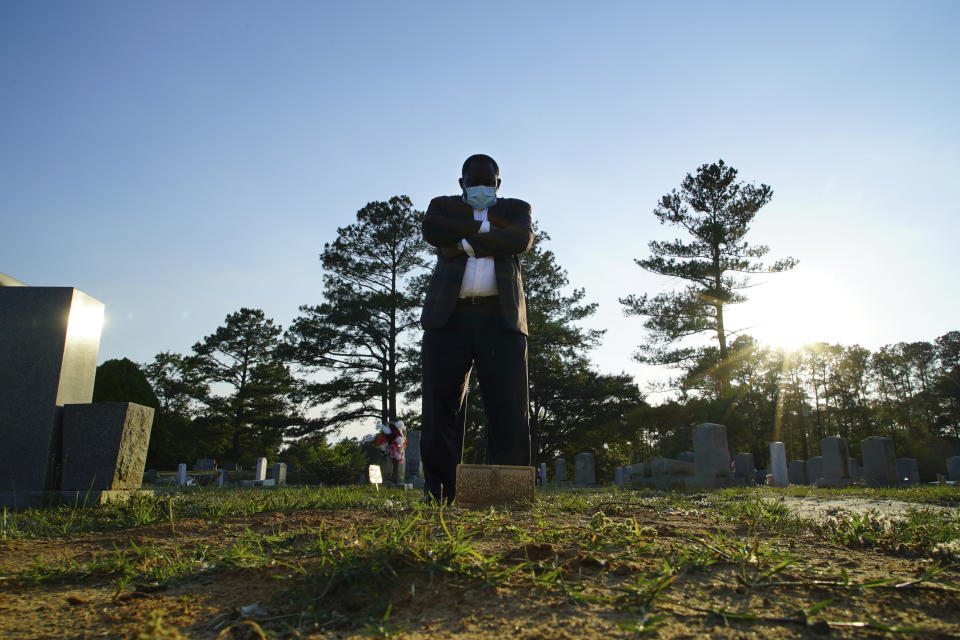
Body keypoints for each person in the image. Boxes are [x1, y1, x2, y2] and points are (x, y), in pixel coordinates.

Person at [420, 154, 534, 502]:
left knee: (509, 407)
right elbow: (432, 231)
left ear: (498, 185)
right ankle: (440, 493)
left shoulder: (516, 208)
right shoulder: (443, 206)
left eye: (489, 182)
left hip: (499, 319)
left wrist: (464, 245)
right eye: (474, 181)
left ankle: (510, 494)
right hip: (448, 319)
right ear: (462, 184)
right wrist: (488, 231)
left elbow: (521, 239)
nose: (481, 187)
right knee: (441, 409)